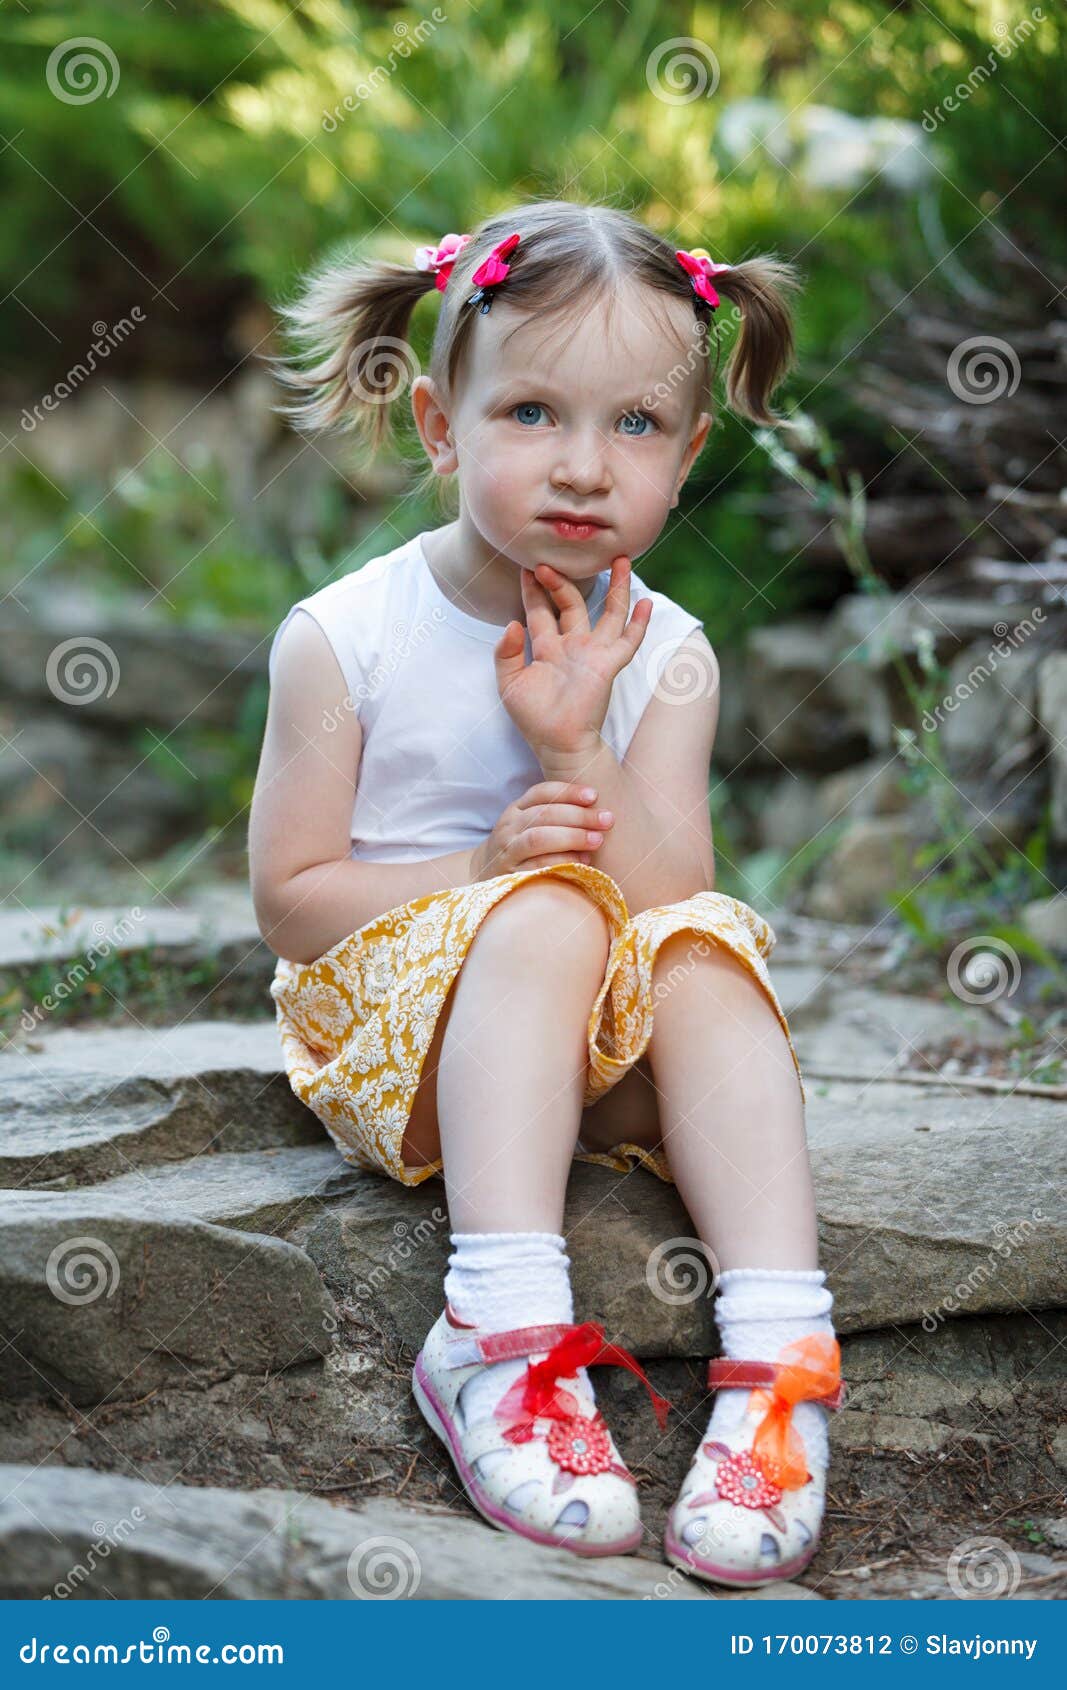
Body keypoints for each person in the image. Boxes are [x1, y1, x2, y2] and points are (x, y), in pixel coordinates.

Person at [248, 199, 843, 1588]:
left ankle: (778, 1362)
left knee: (699, 945)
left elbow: (672, 896)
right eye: (530, 412)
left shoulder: (673, 655)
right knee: (554, 906)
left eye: (634, 425)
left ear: (689, 456)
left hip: (585, 1055)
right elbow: (288, 899)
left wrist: (579, 741)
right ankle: (499, 1331)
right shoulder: (344, 637)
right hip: (393, 1033)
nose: (582, 468)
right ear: (440, 424)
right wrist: (482, 870)